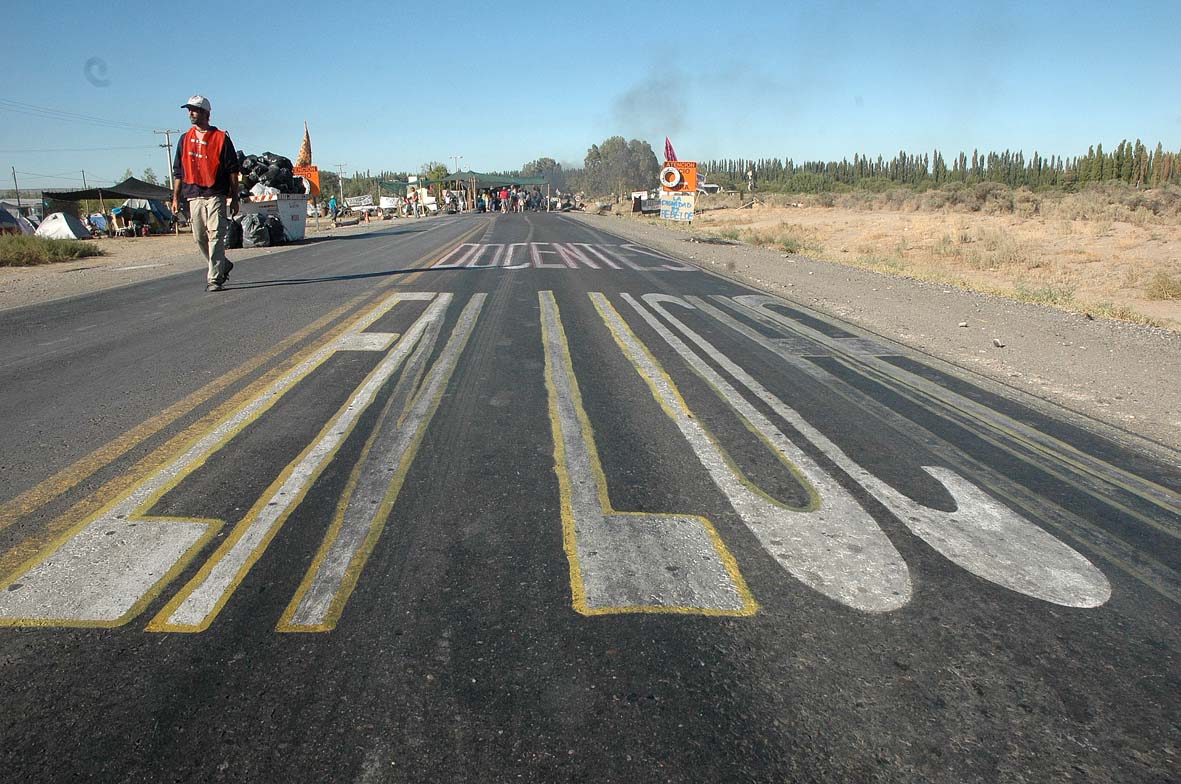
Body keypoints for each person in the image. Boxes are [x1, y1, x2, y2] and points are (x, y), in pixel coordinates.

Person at [171, 95, 240, 292]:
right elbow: (179, 172)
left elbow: (232, 171)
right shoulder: (184, 139)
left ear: (206, 113)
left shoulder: (220, 138)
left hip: (216, 194)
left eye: (195, 110)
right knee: (199, 237)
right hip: (193, 194)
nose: (191, 113)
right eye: (189, 110)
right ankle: (223, 264)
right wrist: (175, 198)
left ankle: (215, 278)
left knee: (216, 235)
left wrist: (234, 198)